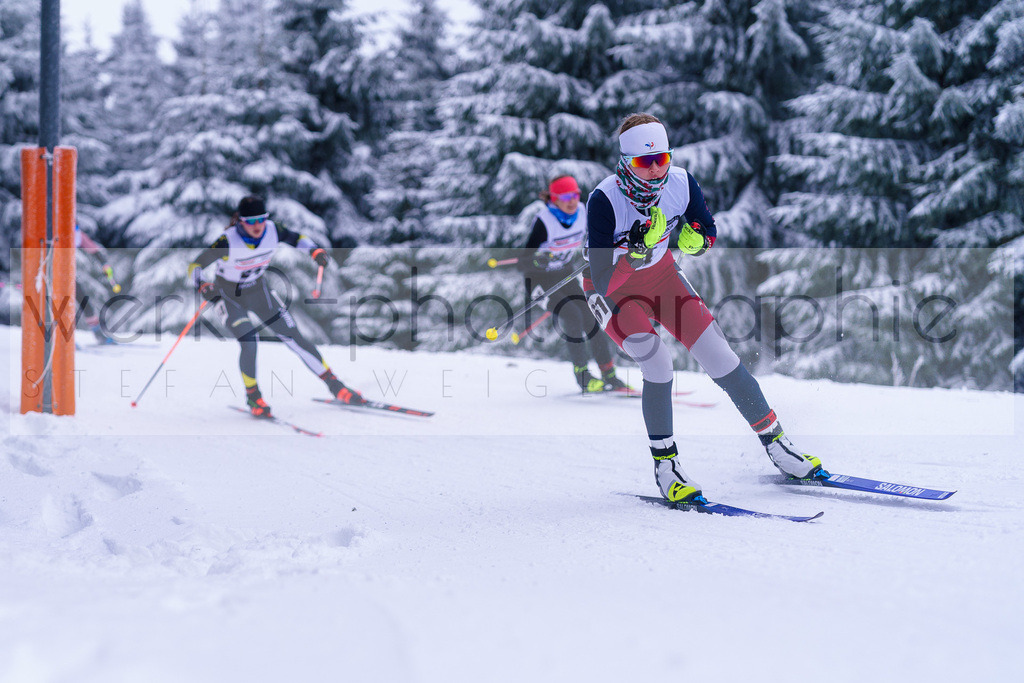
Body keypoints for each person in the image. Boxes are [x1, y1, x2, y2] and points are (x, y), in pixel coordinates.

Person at [583, 113, 826, 503]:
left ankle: (778, 446)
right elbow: (604, 279)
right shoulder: (604, 199)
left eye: (662, 159)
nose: (656, 170)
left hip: (661, 276)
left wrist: (698, 240)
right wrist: (632, 253)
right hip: (613, 288)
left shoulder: (680, 182)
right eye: (646, 163)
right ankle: (667, 468)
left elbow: (705, 227)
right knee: (658, 363)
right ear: (627, 162)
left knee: (720, 357)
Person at [187, 195, 365, 418]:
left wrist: (314, 251)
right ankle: (254, 397)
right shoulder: (227, 241)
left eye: (261, 219)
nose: (257, 226)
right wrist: (202, 284)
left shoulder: (272, 230)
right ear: (240, 221)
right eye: (250, 221)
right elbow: (195, 265)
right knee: (249, 341)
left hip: (259, 291)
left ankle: (336, 386)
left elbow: (297, 238)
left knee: (294, 337)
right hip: (228, 297)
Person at [517, 175, 629, 393]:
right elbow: (522, 263)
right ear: (553, 199)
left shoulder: (582, 213)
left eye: (575, 195)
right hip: (538, 282)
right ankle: (583, 376)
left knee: (591, 315)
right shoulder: (545, 221)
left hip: (564, 276)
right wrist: (538, 260)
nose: (571, 201)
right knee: (571, 315)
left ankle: (609, 374)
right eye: (565, 196)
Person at [74, 224, 116, 344]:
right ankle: (60, 338)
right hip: (49, 275)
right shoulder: (53, 232)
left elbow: (93, 249)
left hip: (67, 275)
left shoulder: (77, 234)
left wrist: (104, 264)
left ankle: (99, 335)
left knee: (84, 302)